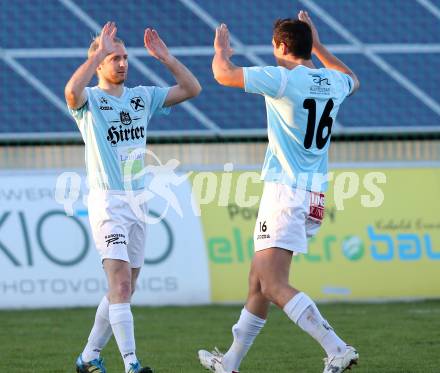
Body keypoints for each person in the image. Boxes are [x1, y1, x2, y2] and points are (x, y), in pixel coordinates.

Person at [198, 10, 360, 373]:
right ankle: (230, 363)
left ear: (282, 46)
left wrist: (220, 49)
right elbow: (353, 79)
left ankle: (336, 347)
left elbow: (222, 75)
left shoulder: (283, 79)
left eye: (274, 45)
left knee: (273, 284)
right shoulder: (331, 82)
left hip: (285, 192)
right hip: (314, 193)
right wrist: (319, 45)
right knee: (258, 281)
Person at [65, 22, 201, 373]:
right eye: (114, 58)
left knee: (125, 289)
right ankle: (132, 364)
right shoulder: (90, 101)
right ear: (99, 65)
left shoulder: (141, 96)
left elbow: (191, 88)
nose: (123, 63)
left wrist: (166, 57)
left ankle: (89, 356)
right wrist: (97, 50)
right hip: (107, 202)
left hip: (138, 202)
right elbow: (70, 91)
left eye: (125, 57)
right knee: (121, 284)